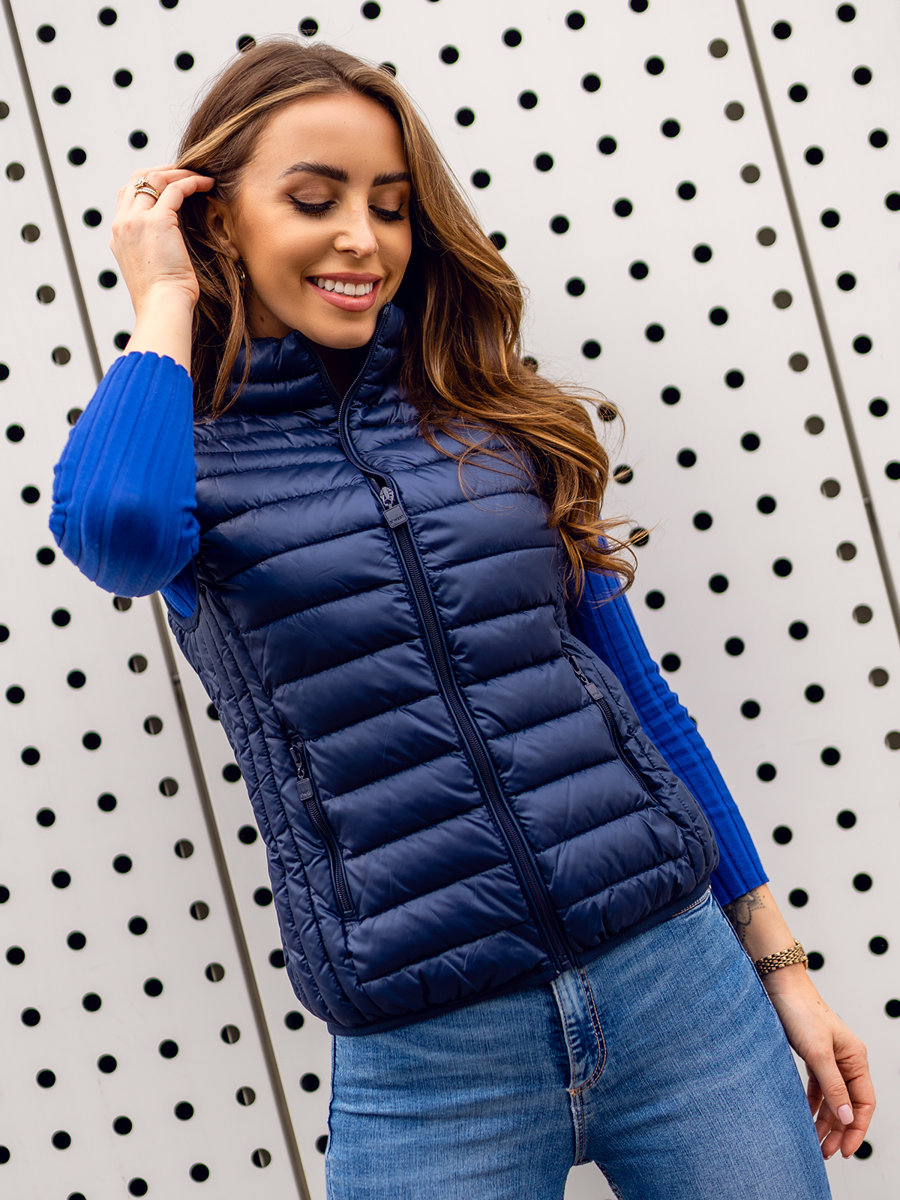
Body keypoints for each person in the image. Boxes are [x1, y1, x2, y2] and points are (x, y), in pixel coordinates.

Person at [50, 37, 873, 1200]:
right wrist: (165, 297)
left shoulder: (490, 416)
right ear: (220, 220)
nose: (362, 238)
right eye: (314, 199)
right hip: (430, 1063)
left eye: (389, 206)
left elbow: (641, 702)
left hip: (678, 990)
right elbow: (117, 535)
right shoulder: (187, 462)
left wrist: (778, 962)